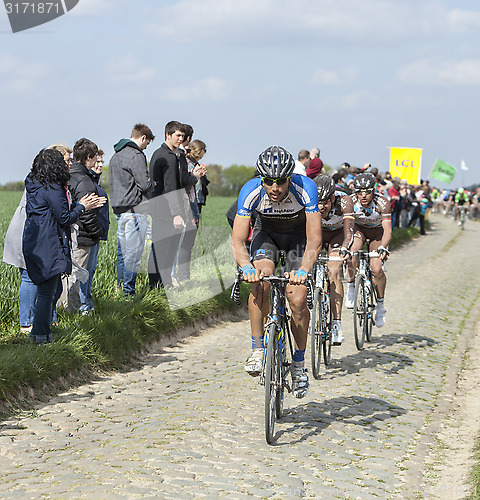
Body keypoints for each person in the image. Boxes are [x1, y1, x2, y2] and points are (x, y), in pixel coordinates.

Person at [231, 146, 322, 399]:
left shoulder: (305, 188)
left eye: (280, 181)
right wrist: (247, 267)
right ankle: (258, 349)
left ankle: (299, 365)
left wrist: (304, 269)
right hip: (267, 236)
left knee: (298, 298)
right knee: (260, 283)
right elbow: (238, 241)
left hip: (298, 240)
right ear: (261, 179)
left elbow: (314, 240)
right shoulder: (251, 190)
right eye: (268, 181)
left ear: (290, 178)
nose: (274, 187)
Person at [23, 149, 105, 344]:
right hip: (48, 242)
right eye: (65, 161)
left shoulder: (34, 183)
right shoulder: (53, 187)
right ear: (55, 166)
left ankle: (38, 331)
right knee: (47, 291)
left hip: (34, 239)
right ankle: (41, 336)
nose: (68, 164)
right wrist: (82, 206)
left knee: (54, 288)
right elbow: (64, 217)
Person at [148, 121, 205, 289]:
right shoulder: (168, 157)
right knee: (165, 250)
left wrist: (194, 177)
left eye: (182, 136)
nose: (181, 139)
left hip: (159, 208)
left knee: (160, 248)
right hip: (166, 211)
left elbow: (179, 182)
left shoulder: (162, 153)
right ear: (168, 135)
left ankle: (157, 287)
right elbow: (171, 187)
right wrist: (176, 214)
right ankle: (161, 287)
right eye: (177, 136)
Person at [109, 123, 154, 297]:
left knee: (123, 253)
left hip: (119, 209)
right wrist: (152, 183)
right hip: (134, 210)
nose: (146, 147)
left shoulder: (116, 155)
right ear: (143, 138)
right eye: (147, 143)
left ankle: (120, 290)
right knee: (133, 255)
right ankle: (129, 293)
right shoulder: (136, 155)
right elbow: (144, 184)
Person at [345, 172, 391, 328]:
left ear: (374, 190)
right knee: (352, 253)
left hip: (378, 232)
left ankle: (380, 305)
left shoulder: (382, 202)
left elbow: (387, 230)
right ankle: (351, 284)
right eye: (359, 192)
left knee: (376, 269)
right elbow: (348, 227)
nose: (363, 195)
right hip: (359, 230)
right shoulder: (351, 201)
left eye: (367, 191)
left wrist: (383, 247)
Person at [314, 175, 354, 345]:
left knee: (334, 271)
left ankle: (336, 324)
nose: (321, 206)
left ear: (332, 198)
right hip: (318, 234)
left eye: (325, 202)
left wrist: (345, 247)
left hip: (338, 235)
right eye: (318, 202)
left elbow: (349, 232)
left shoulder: (344, 201)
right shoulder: (307, 201)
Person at [67, 138, 104, 311]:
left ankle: (71, 311)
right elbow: (87, 215)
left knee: (72, 277)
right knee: (79, 278)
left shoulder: (71, 175)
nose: (97, 160)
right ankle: (77, 314)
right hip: (83, 238)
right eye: (95, 156)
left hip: (73, 234)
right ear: (89, 156)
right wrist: (97, 233)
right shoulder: (84, 181)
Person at [79, 150, 110, 314]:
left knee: (90, 271)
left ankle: (87, 304)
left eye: (101, 162)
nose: (99, 165)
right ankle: (83, 307)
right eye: (96, 162)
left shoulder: (95, 182)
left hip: (96, 234)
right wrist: (96, 231)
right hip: (89, 235)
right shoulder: (87, 183)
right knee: (85, 273)